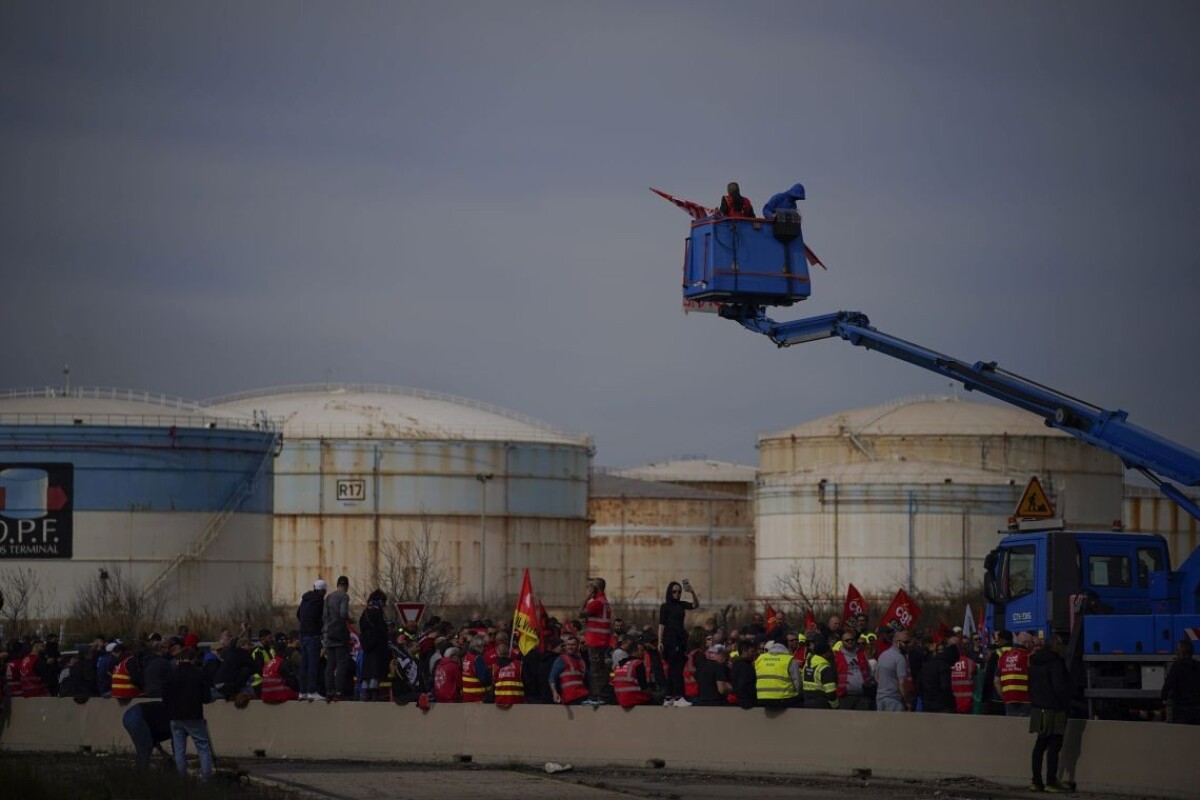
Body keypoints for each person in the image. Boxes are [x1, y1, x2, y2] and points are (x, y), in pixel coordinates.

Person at [1028, 636, 1072, 793]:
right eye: (1060, 643)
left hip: (1038, 708)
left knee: (1040, 744)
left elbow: (1030, 685)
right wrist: (1066, 703)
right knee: (1054, 744)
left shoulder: (1034, 662)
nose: (1061, 647)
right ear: (1054, 645)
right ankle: (1051, 782)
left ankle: (1036, 781)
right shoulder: (1056, 663)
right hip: (1055, 709)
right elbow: (1060, 688)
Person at [164, 647, 214, 782]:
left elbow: (165, 697)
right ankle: (206, 779)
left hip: (175, 716)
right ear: (193, 659)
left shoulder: (172, 674)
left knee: (179, 750)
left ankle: (181, 779)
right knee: (203, 747)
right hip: (194, 715)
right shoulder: (199, 674)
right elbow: (206, 698)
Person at [658, 579, 700, 707]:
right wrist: (660, 641)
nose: (677, 594)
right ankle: (678, 696)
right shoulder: (665, 606)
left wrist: (692, 591)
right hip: (670, 639)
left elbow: (695, 605)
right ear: (670, 592)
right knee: (675, 668)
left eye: (679, 591)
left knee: (674, 669)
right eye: (674, 591)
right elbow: (661, 624)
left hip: (680, 638)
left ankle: (669, 696)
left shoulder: (681, 605)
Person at [581, 577, 612, 706]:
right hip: (603, 640)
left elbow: (581, 614)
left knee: (595, 670)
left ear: (595, 589)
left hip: (595, 641)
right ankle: (602, 696)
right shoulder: (605, 602)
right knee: (601, 669)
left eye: (590, 587)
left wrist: (587, 599)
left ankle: (596, 697)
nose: (588, 590)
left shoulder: (596, 602)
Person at [322, 575, 353, 700]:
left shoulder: (328, 597)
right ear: (346, 585)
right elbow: (343, 613)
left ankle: (329, 691)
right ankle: (338, 692)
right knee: (341, 664)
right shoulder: (344, 596)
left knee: (330, 664)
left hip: (328, 634)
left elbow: (324, 616)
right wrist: (350, 620)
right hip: (340, 634)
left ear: (337, 584)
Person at [296, 578, 327, 700]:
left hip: (303, 635)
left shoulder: (305, 600)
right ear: (323, 591)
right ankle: (312, 691)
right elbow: (322, 618)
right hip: (313, 635)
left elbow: (298, 614)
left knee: (304, 664)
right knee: (313, 664)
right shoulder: (320, 601)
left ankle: (302, 692)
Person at [358, 589, 390, 701]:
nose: (385, 605)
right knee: (376, 667)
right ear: (380, 601)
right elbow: (382, 628)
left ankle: (366, 689)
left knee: (367, 666)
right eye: (384, 602)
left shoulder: (365, 611)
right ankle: (374, 690)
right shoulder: (377, 612)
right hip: (377, 644)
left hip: (366, 644)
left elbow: (361, 627)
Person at [121, 700, 172, 770]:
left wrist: (163, 753)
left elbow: (153, 735)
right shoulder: (171, 724)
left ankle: (141, 774)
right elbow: (155, 733)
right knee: (145, 751)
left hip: (132, 715)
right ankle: (142, 776)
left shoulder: (166, 716)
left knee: (144, 749)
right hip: (138, 716)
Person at [1162, 638, 1200, 724]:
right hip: (1197, 709)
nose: (1176, 653)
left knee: (1182, 733)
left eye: (1177, 650)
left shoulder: (1177, 666)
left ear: (1182, 652)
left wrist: (1164, 697)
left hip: (1181, 709)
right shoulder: (1198, 666)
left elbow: (1169, 683)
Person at [834, 628, 872, 710]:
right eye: (846, 640)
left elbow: (869, 671)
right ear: (842, 642)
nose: (850, 642)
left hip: (862, 696)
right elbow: (833, 676)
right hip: (845, 696)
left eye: (852, 639)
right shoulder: (837, 657)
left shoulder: (861, 654)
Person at [754, 641, 801, 707]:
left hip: (762, 698)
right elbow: (797, 682)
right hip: (783, 699)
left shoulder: (760, 658)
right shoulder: (789, 659)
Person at [997, 632, 1033, 716]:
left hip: (1009, 701)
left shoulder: (1003, 657)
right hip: (1026, 700)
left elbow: (996, 681)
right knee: (1025, 727)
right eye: (1032, 643)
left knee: (1011, 727)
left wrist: (1005, 698)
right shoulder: (1029, 657)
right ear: (1026, 643)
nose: (1033, 645)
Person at [876, 630, 911, 712]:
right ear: (897, 642)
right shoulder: (900, 658)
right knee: (896, 725)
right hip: (894, 700)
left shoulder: (883, 655)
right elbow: (902, 683)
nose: (907, 645)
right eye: (905, 642)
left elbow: (877, 677)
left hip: (880, 699)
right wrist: (908, 701)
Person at [549, 635, 589, 706]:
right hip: (569, 698)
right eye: (568, 645)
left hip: (582, 695)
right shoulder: (561, 659)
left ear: (577, 646)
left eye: (573, 645)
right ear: (565, 646)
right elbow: (552, 677)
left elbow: (586, 679)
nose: (570, 647)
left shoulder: (581, 661)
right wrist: (554, 692)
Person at [801, 634, 839, 709]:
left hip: (806, 701)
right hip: (821, 703)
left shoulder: (807, 664)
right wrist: (836, 706)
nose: (831, 653)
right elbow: (830, 692)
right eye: (829, 651)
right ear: (824, 654)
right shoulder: (825, 668)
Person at [919, 643, 957, 713]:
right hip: (942, 706)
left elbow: (919, 685)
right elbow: (945, 687)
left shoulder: (926, 665)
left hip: (927, 705)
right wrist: (952, 703)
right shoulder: (944, 665)